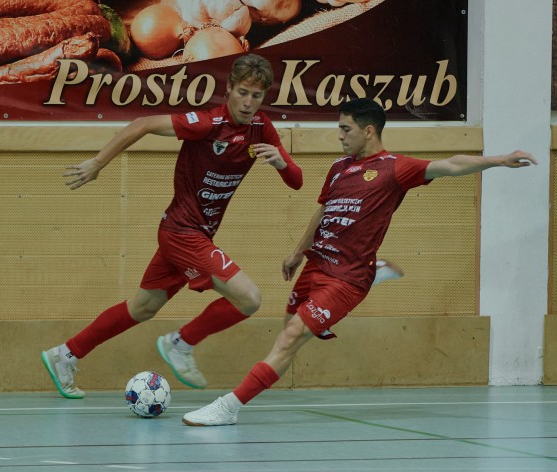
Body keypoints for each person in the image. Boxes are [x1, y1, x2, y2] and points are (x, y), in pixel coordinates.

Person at [182, 97, 537, 426]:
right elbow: (324, 211)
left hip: (346, 279)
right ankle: (378, 271)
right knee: (290, 324)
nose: (339, 136)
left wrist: (499, 160)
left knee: (292, 337)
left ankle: (229, 407)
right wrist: (297, 252)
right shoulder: (338, 168)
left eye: (345, 129)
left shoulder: (395, 168)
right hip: (316, 265)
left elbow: (452, 164)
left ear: (368, 131)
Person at [40, 54, 303, 398]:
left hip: (189, 234)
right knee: (249, 298)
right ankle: (181, 343)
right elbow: (143, 124)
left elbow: (297, 182)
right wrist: (98, 162)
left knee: (142, 308)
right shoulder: (207, 123)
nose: (249, 102)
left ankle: (66, 354)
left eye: (256, 95)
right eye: (243, 92)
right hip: (183, 232)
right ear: (229, 90)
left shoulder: (260, 128)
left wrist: (283, 163)